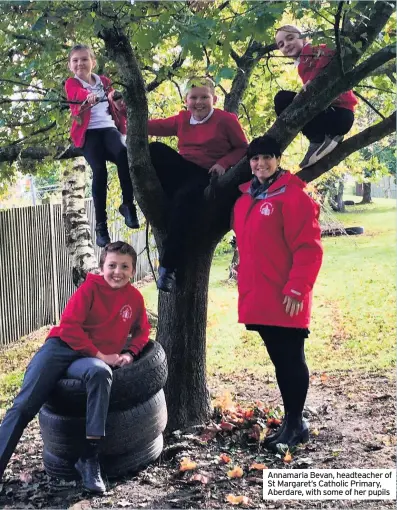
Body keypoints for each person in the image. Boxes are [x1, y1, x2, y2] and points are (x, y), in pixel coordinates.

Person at [0, 241, 150, 493]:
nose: (117, 272)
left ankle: (89, 458)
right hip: (60, 348)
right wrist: (101, 354)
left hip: (86, 359)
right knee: (24, 406)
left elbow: (142, 332)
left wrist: (131, 353)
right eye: (112, 265)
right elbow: (69, 326)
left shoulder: (134, 298)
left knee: (101, 373)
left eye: (124, 267)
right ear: (102, 266)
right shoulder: (90, 288)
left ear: (133, 271)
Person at [232, 135, 323, 451]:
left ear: (278, 159)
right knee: (281, 359)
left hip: (286, 294)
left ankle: (296, 425)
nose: (260, 164)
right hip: (260, 293)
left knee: (290, 359)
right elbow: (247, 243)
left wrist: (298, 287)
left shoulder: (293, 195)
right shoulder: (245, 198)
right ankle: (292, 421)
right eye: (255, 159)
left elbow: (308, 247)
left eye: (267, 157)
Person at [148, 76, 248, 292]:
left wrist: (223, 163)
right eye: (194, 97)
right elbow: (148, 126)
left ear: (215, 98)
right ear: (186, 100)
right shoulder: (182, 119)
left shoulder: (226, 120)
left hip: (206, 174)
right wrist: (118, 112)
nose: (199, 102)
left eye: (204, 97)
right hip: (183, 170)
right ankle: (132, 200)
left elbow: (243, 148)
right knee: (154, 150)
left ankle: (167, 268)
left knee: (183, 200)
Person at [65, 44, 140, 248]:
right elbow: (76, 93)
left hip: (108, 129)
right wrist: (87, 97)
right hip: (88, 133)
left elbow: (116, 105)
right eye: (75, 60)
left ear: (93, 62)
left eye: (84, 59)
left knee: (124, 154)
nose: (80, 63)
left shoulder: (104, 82)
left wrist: (117, 101)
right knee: (99, 170)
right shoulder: (72, 83)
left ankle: (127, 205)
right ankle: (101, 226)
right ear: (70, 65)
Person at [274, 25, 358, 168]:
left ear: (303, 38)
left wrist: (312, 80)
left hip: (339, 114)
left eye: (290, 38)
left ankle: (319, 139)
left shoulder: (314, 49)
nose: (286, 45)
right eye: (281, 44)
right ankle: (318, 139)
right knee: (285, 100)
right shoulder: (301, 64)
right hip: (327, 114)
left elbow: (331, 53)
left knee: (283, 99)